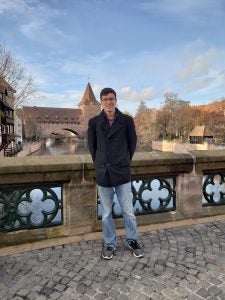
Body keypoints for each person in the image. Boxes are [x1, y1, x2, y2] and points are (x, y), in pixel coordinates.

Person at [87, 87, 144, 260]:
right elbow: (92, 147)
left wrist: (124, 161)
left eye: (111, 99)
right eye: (105, 99)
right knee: (106, 213)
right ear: (101, 102)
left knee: (128, 211)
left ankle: (132, 240)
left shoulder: (126, 120)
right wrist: (100, 163)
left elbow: (132, 144)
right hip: (104, 172)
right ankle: (110, 243)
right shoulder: (94, 122)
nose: (108, 102)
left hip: (122, 171)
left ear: (115, 100)